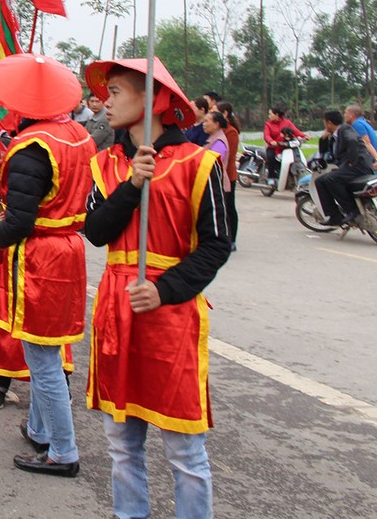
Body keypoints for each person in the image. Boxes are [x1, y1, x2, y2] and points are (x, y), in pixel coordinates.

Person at [83, 57, 231, 519]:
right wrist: (131, 186)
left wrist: (165, 289)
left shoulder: (199, 163)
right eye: (106, 93)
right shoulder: (104, 164)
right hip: (115, 308)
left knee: (186, 454)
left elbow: (218, 243)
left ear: (157, 100)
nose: (106, 101)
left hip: (170, 313)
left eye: (118, 92)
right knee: (121, 446)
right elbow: (96, 230)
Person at [0, 53, 95, 478]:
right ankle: (39, 429)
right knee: (45, 351)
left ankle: (63, 450)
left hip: (40, 255)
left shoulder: (33, 146)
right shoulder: (78, 135)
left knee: (43, 358)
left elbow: (19, 219)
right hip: (68, 247)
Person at [316, 109, 374, 227]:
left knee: (331, 179)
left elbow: (352, 141)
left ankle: (352, 210)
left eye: (325, 123)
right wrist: (323, 138)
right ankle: (335, 215)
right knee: (320, 181)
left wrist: (352, 161)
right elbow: (323, 152)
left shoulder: (344, 129)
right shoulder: (334, 136)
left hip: (359, 166)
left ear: (329, 123)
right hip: (348, 167)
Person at [216, 101, 241, 250]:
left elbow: (228, 156)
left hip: (228, 175)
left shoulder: (231, 132)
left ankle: (232, 239)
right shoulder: (219, 131)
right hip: (221, 174)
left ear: (224, 114)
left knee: (229, 207)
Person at [263, 106, 305, 184]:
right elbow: (266, 135)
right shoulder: (268, 124)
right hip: (273, 147)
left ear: (277, 115)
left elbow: (295, 131)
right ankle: (271, 177)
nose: (269, 116)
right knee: (271, 158)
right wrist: (271, 141)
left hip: (285, 146)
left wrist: (304, 136)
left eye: (270, 114)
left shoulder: (287, 122)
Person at [344, 104, 377, 172]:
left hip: (368, 162)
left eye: (345, 112)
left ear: (352, 115)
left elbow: (366, 142)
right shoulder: (362, 122)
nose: (344, 115)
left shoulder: (357, 124)